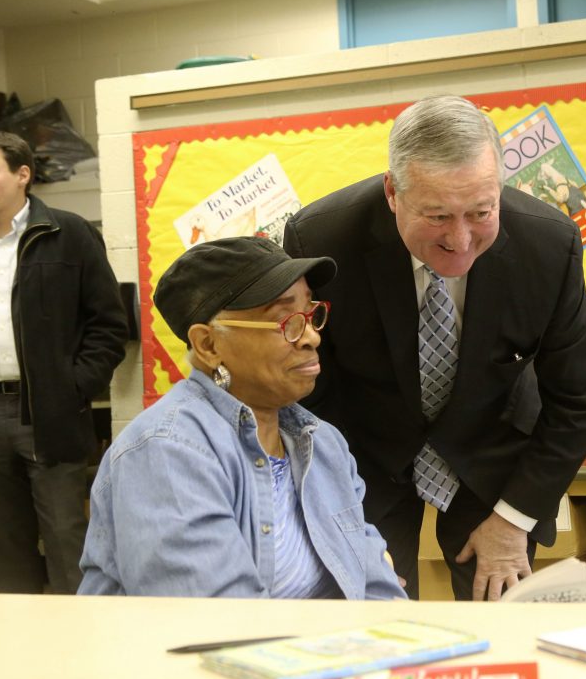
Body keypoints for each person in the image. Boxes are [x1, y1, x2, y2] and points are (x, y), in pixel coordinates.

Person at [284, 95, 586, 601]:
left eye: (481, 211)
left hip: (493, 453)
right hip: (367, 457)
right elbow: (309, 387)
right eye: (436, 216)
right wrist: (340, 510)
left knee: (500, 617)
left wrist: (514, 519)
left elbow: (580, 394)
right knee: (370, 615)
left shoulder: (548, 245)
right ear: (393, 192)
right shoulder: (321, 239)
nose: (460, 240)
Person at [78, 237, 407, 600]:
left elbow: (376, 586)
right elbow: (219, 623)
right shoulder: (168, 452)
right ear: (208, 345)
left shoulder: (322, 442)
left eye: (311, 315)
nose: (311, 337)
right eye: (286, 321)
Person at [0, 131, 128, 594]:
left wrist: (73, 387)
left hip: (51, 410)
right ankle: (21, 651)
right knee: (4, 545)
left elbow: (108, 326)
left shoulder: (70, 234)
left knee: (65, 537)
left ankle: (81, 649)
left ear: (23, 175)